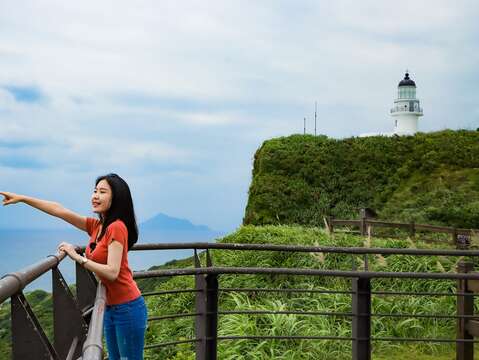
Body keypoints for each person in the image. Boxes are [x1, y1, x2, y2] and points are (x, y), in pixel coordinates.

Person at [1, 173, 147, 360]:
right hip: (110, 306)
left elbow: (112, 272)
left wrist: (78, 257)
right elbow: (59, 210)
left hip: (127, 307)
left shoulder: (116, 227)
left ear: (116, 198)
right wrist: (23, 198)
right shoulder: (97, 226)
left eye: (102, 192)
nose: (95, 196)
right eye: (94, 191)